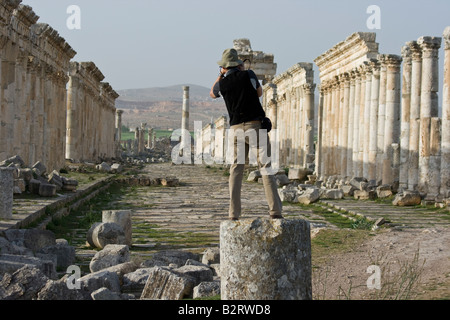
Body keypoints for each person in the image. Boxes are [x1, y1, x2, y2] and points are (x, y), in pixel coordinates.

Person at [210, 48, 283, 221]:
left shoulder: (223, 83)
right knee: (265, 167)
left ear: (224, 67)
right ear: (238, 64)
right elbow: (259, 93)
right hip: (254, 126)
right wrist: (243, 71)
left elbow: (212, 93)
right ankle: (275, 211)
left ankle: (233, 213)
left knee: (236, 170)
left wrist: (221, 74)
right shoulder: (248, 74)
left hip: (235, 129)